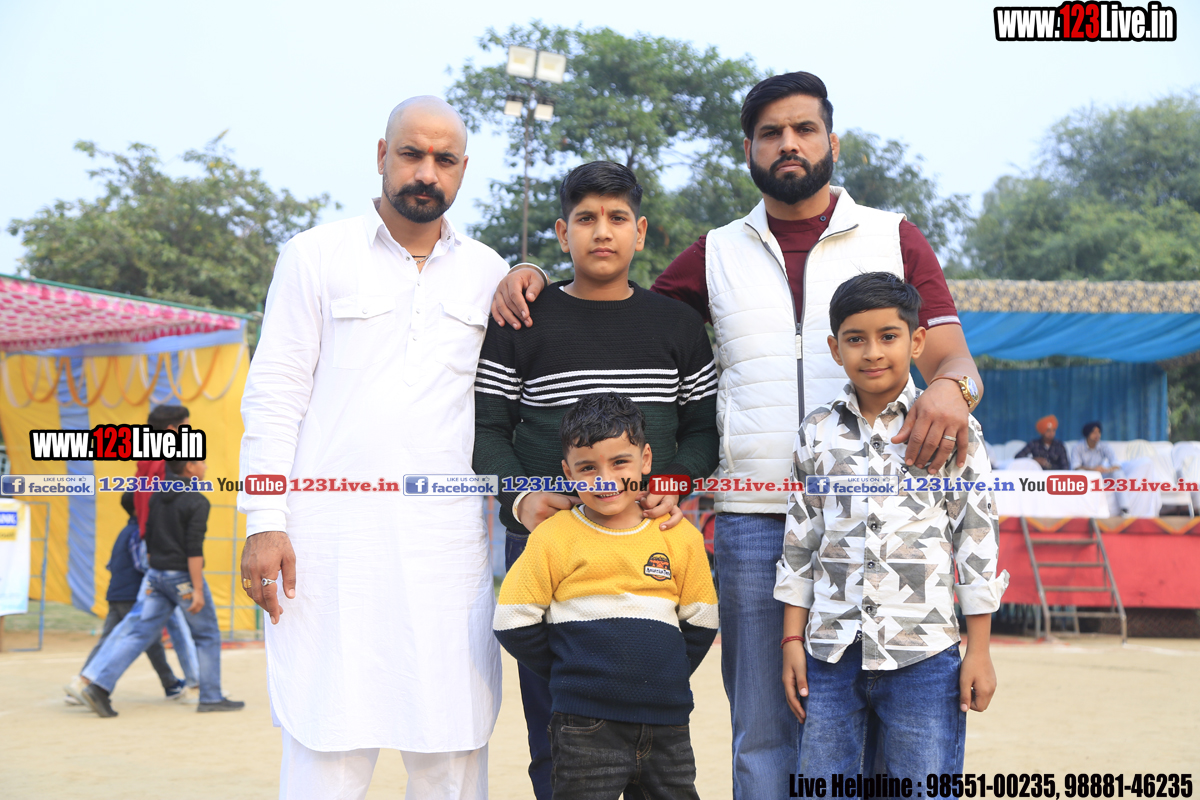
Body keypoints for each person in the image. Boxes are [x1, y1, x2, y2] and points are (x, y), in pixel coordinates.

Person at [490, 71, 985, 796]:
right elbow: (618, 305)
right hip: (754, 522)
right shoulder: (717, 251)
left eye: (804, 129)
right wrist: (534, 270)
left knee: (890, 723)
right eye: (770, 133)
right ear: (748, 149)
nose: (789, 143)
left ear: (833, 141)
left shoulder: (893, 236)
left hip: (876, 516)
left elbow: (951, 357)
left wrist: (952, 387)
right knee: (762, 726)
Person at [237, 96, 509, 800]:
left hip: (445, 547)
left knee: (451, 743)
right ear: (381, 154)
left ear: (463, 169)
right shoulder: (314, 255)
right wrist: (263, 520)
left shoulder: (487, 271)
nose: (426, 172)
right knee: (327, 739)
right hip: (329, 546)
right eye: (412, 154)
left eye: (444, 159)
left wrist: (531, 270)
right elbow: (274, 394)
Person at [473, 160, 719, 800]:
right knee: (556, 740)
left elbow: (703, 431)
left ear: (641, 231)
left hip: (650, 544)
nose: (601, 231)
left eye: (616, 218)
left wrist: (675, 482)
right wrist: (521, 499)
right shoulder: (522, 319)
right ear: (563, 232)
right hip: (548, 543)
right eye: (585, 218)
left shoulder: (678, 325)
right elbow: (488, 428)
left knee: (656, 747)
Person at [774, 273, 1008, 776]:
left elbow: (977, 538)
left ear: (917, 341)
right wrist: (792, 640)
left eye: (888, 336)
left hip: (925, 655)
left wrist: (979, 650)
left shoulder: (952, 428)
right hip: (830, 653)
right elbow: (799, 543)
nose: (873, 352)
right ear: (835, 349)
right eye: (856, 339)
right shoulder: (817, 432)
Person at [494, 393, 718, 800]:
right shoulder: (553, 536)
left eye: (619, 463)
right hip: (583, 727)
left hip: (667, 726)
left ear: (645, 460)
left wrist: (664, 674)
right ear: (567, 471)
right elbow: (512, 620)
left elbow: (702, 619)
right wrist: (572, 670)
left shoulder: (678, 536)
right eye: (587, 468)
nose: (604, 479)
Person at [80, 458, 242, 717]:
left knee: (139, 634)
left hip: (156, 575)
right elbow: (194, 550)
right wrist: (197, 589)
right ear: (189, 467)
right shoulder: (197, 501)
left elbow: (148, 536)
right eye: (201, 462)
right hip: (182, 578)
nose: (206, 467)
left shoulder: (155, 497)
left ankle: (99, 687)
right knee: (207, 634)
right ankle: (211, 696)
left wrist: (156, 573)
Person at [63, 491, 185, 706]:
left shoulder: (124, 532)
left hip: (116, 595)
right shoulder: (139, 533)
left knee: (115, 641)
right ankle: (169, 684)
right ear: (139, 507)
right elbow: (142, 565)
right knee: (148, 639)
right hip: (132, 597)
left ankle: (81, 684)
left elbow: (111, 564)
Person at [1071, 422, 1129, 515]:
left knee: (1118, 473)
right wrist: (1093, 470)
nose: (1097, 435)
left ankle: (1125, 509)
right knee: (1079, 473)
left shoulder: (1104, 446)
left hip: (1101, 476)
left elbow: (1116, 464)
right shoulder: (1077, 447)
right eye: (1094, 432)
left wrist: (1106, 470)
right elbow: (1075, 467)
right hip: (1085, 477)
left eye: (1099, 432)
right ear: (1087, 433)